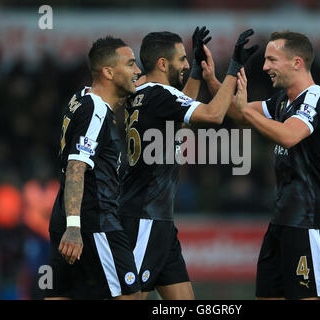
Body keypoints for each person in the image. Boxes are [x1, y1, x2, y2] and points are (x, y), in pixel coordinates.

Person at [118, 27, 256, 300]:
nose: (184, 63)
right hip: (143, 219)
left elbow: (181, 111)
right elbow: (214, 115)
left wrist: (194, 70)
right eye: (181, 59)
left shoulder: (143, 94)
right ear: (162, 63)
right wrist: (234, 67)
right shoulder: (160, 95)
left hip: (159, 221)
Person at [233, 31, 320, 300]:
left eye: (271, 59)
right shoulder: (283, 101)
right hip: (281, 219)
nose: (265, 67)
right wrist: (219, 76)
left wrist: (245, 111)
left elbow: (289, 136)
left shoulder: (315, 99)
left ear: (297, 62)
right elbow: (237, 111)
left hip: (308, 221)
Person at [45, 36, 142, 300]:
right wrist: (75, 227)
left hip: (65, 216)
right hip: (93, 223)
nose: (138, 71)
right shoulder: (95, 110)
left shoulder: (82, 98)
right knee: (132, 296)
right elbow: (77, 166)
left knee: (62, 295)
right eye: (131, 64)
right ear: (108, 72)